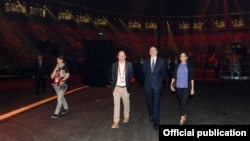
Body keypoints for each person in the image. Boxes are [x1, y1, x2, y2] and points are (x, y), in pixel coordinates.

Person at [143, 46, 166, 130]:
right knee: (149, 102)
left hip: (157, 86)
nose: (151, 51)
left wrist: (158, 81)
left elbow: (164, 74)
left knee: (156, 103)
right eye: (150, 50)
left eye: (153, 50)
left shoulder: (162, 61)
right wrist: (150, 80)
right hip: (148, 85)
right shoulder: (145, 62)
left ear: (157, 52)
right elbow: (144, 73)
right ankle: (151, 114)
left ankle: (156, 122)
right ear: (149, 52)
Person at [170, 52, 195, 125]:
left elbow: (192, 78)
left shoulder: (189, 66)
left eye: (184, 56)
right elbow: (174, 76)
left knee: (183, 102)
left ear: (186, 57)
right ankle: (184, 114)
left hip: (186, 87)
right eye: (181, 56)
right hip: (178, 87)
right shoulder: (177, 66)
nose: (182, 57)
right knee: (181, 102)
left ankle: (182, 119)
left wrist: (192, 88)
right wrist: (171, 85)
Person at [111, 50, 134, 128]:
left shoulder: (129, 64)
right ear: (117, 57)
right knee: (116, 105)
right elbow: (112, 75)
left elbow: (131, 75)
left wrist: (126, 81)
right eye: (119, 56)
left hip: (125, 88)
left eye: (122, 56)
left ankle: (126, 116)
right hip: (116, 88)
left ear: (125, 56)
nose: (121, 57)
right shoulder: (114, 65)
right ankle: (116, 121)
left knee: (126, 103)